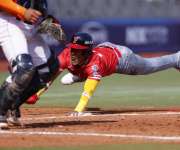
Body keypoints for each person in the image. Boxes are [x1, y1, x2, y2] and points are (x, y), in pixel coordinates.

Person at [58, 32, 180, 116]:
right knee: (81, 71)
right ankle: (79, 75)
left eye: (78, 50)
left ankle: (176, 58)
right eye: (73, 49)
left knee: (150, 66)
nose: (74, 52)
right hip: (104, 49)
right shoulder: (78, 55)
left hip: (123, 59)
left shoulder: (96, 63)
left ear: (86, 52)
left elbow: (89, 90)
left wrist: (79, 109)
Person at [0, 0, 60, 129]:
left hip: (27, 23)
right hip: (7, 19)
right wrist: (23, 11)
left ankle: (11, 105)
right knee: (24, 68)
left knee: (49, 68)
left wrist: (48, 22)